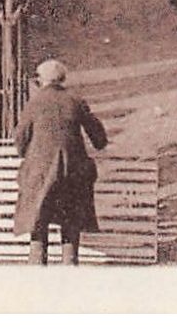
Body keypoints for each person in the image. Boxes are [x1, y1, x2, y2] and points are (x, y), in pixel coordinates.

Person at [13, 59, 108, 265]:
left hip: (39, 174)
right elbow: (100, 140)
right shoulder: (76, 100)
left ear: (41, 80)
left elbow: (20, 141)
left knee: (38, 218)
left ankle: (37, 265)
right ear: (62, 78)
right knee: (71, 217)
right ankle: (70, 264)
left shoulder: (34, 103)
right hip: (72, 172)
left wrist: (31, 155)